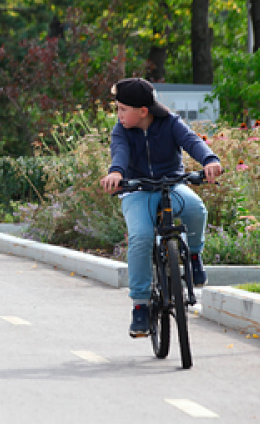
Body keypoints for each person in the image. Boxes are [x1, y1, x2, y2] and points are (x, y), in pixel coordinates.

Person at [100, 77, 223, 337]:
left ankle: (194, 256)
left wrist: (209, 160)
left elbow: (192, 142)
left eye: (123, 109)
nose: (118, 114)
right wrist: (116, 173)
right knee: (141, 238)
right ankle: (141, 306)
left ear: (142, 111)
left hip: (172, 184)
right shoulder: (121, 131)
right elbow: (119, 153)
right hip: (137, 190)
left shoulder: (171, 123)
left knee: (196, 210)